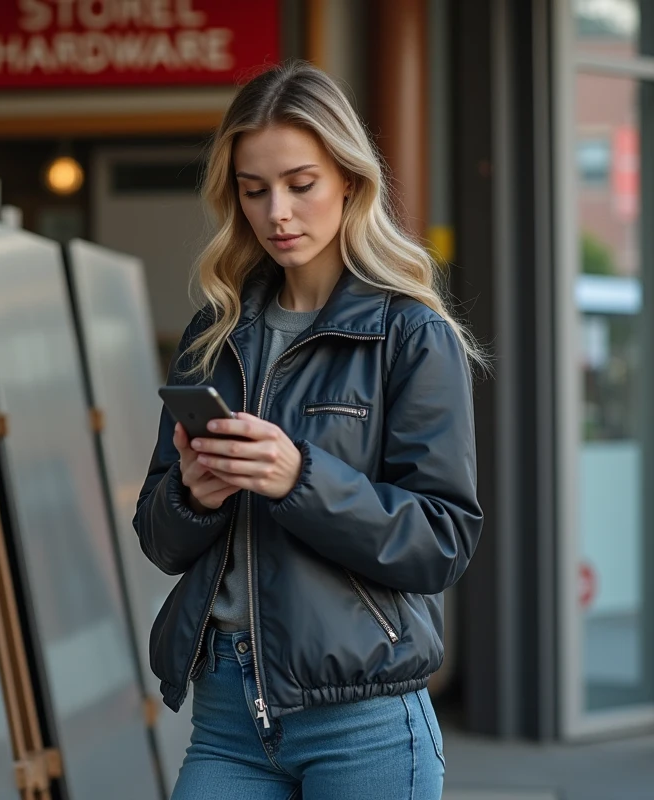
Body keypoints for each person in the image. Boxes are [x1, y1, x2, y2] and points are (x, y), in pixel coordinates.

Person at [133, 60, 484, 800]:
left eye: (301, 184)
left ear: (350, 181)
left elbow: (442, 541)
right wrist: (193, 498)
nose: (277, 213)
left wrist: (301, 479)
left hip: (363, 722)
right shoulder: (214, 334)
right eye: (253, 190)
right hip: (226, 716)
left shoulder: (411, 335)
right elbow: (159, 541)